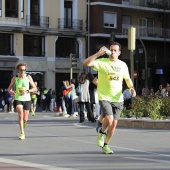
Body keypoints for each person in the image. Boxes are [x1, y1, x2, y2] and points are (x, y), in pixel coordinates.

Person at [83, 42, 136, 154]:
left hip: (118, 98)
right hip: (104, 96)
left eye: (115, 50)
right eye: (111, 50)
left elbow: (127, 78)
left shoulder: (123, 65)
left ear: (119, 53)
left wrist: (131, 87)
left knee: (114, 125)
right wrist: (98, 53)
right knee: (110, 119)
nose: (112, 52)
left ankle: (106, 145)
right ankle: (101, 133)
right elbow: (86, 63)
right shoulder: (102, 62)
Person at [8, 62, 37, 140]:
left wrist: (27, 91)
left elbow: (35, 88)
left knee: (25, 118)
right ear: (18, 70)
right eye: (21, 70)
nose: (23, 71)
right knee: (20, 114)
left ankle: (24, 122)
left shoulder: (28, 77)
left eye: (24, 70)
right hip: (18, 98)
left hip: (27, 99)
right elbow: (9, 88)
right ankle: (22, 133)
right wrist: (11, 91)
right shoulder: (15, 78)